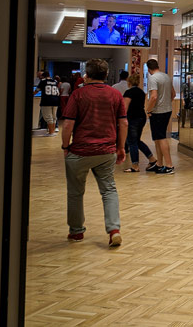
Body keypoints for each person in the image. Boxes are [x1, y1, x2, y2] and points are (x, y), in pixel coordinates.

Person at [59, 58, 127, 246]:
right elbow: (123, 123)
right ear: (106, 75)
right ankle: (114, 230)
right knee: (109, 190)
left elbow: (68, 125)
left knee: (75, 193)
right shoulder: (115, 95)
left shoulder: (78, 94)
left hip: (80, 151)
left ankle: (76, 232)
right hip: (106, 151)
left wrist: (65, 147)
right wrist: (120, 147)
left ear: (86, 75)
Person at [145, 58, 176, 174]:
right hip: (167, 110)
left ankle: (169, 165)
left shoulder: (153, 78)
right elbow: (173, 94)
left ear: (149, 69)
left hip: (158, 112)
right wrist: (166, 103)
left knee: (161, 137)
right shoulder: (166, 76)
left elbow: (153, 97)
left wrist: (148, 110)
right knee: (157, 138)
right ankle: (159, 164)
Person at [122, 73, 158, 173]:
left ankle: (135, 165)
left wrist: (121, 119)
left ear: (129, 82)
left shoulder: (128, 92)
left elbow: (125, 107)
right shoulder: (141, 92)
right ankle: (152, 159)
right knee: (137, 140)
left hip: (132, 118)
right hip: (141, 117)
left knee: (132, 142)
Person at [36, 71, 60, 136]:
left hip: (46, 101)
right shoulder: (55, 81)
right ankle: (53, 131)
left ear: (43, 76)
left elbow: (37, 90)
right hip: (55, 100)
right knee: (54, 117)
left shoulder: (43, 81)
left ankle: (51, 132)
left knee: (48, 117)